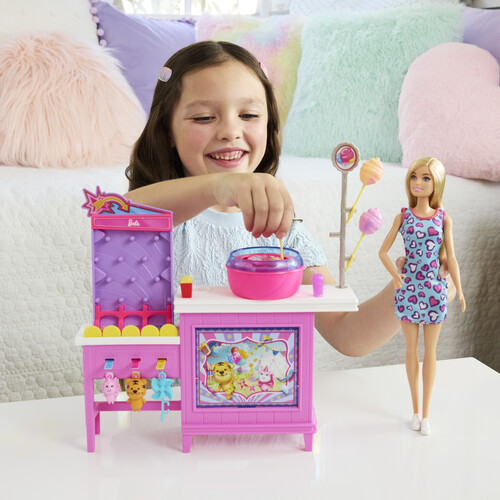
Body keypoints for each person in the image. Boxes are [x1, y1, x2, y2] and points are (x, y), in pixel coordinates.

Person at [125, 40, 416, 358]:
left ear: (269, 125)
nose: (230, 131)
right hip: (169, 390)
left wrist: (411, 287)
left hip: (262, 387)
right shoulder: (164, 218)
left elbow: (348, 334)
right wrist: (218, 186)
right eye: (204, 117)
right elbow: (120, 215)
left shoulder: (284, 233)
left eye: (249, 114)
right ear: (167, 131)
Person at [379, 157, 465, 435]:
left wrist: (460, 290)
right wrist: (396, 275)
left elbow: (451, 257)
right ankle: (415, 411)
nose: (418, 182)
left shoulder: (443, 218)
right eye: (414, 177)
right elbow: (382, 252)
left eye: (426, 177)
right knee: (410, 350)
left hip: (433, 291)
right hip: (408, 290)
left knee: (430, 351)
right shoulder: (403, 217)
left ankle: (426, 415)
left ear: (436, 182)